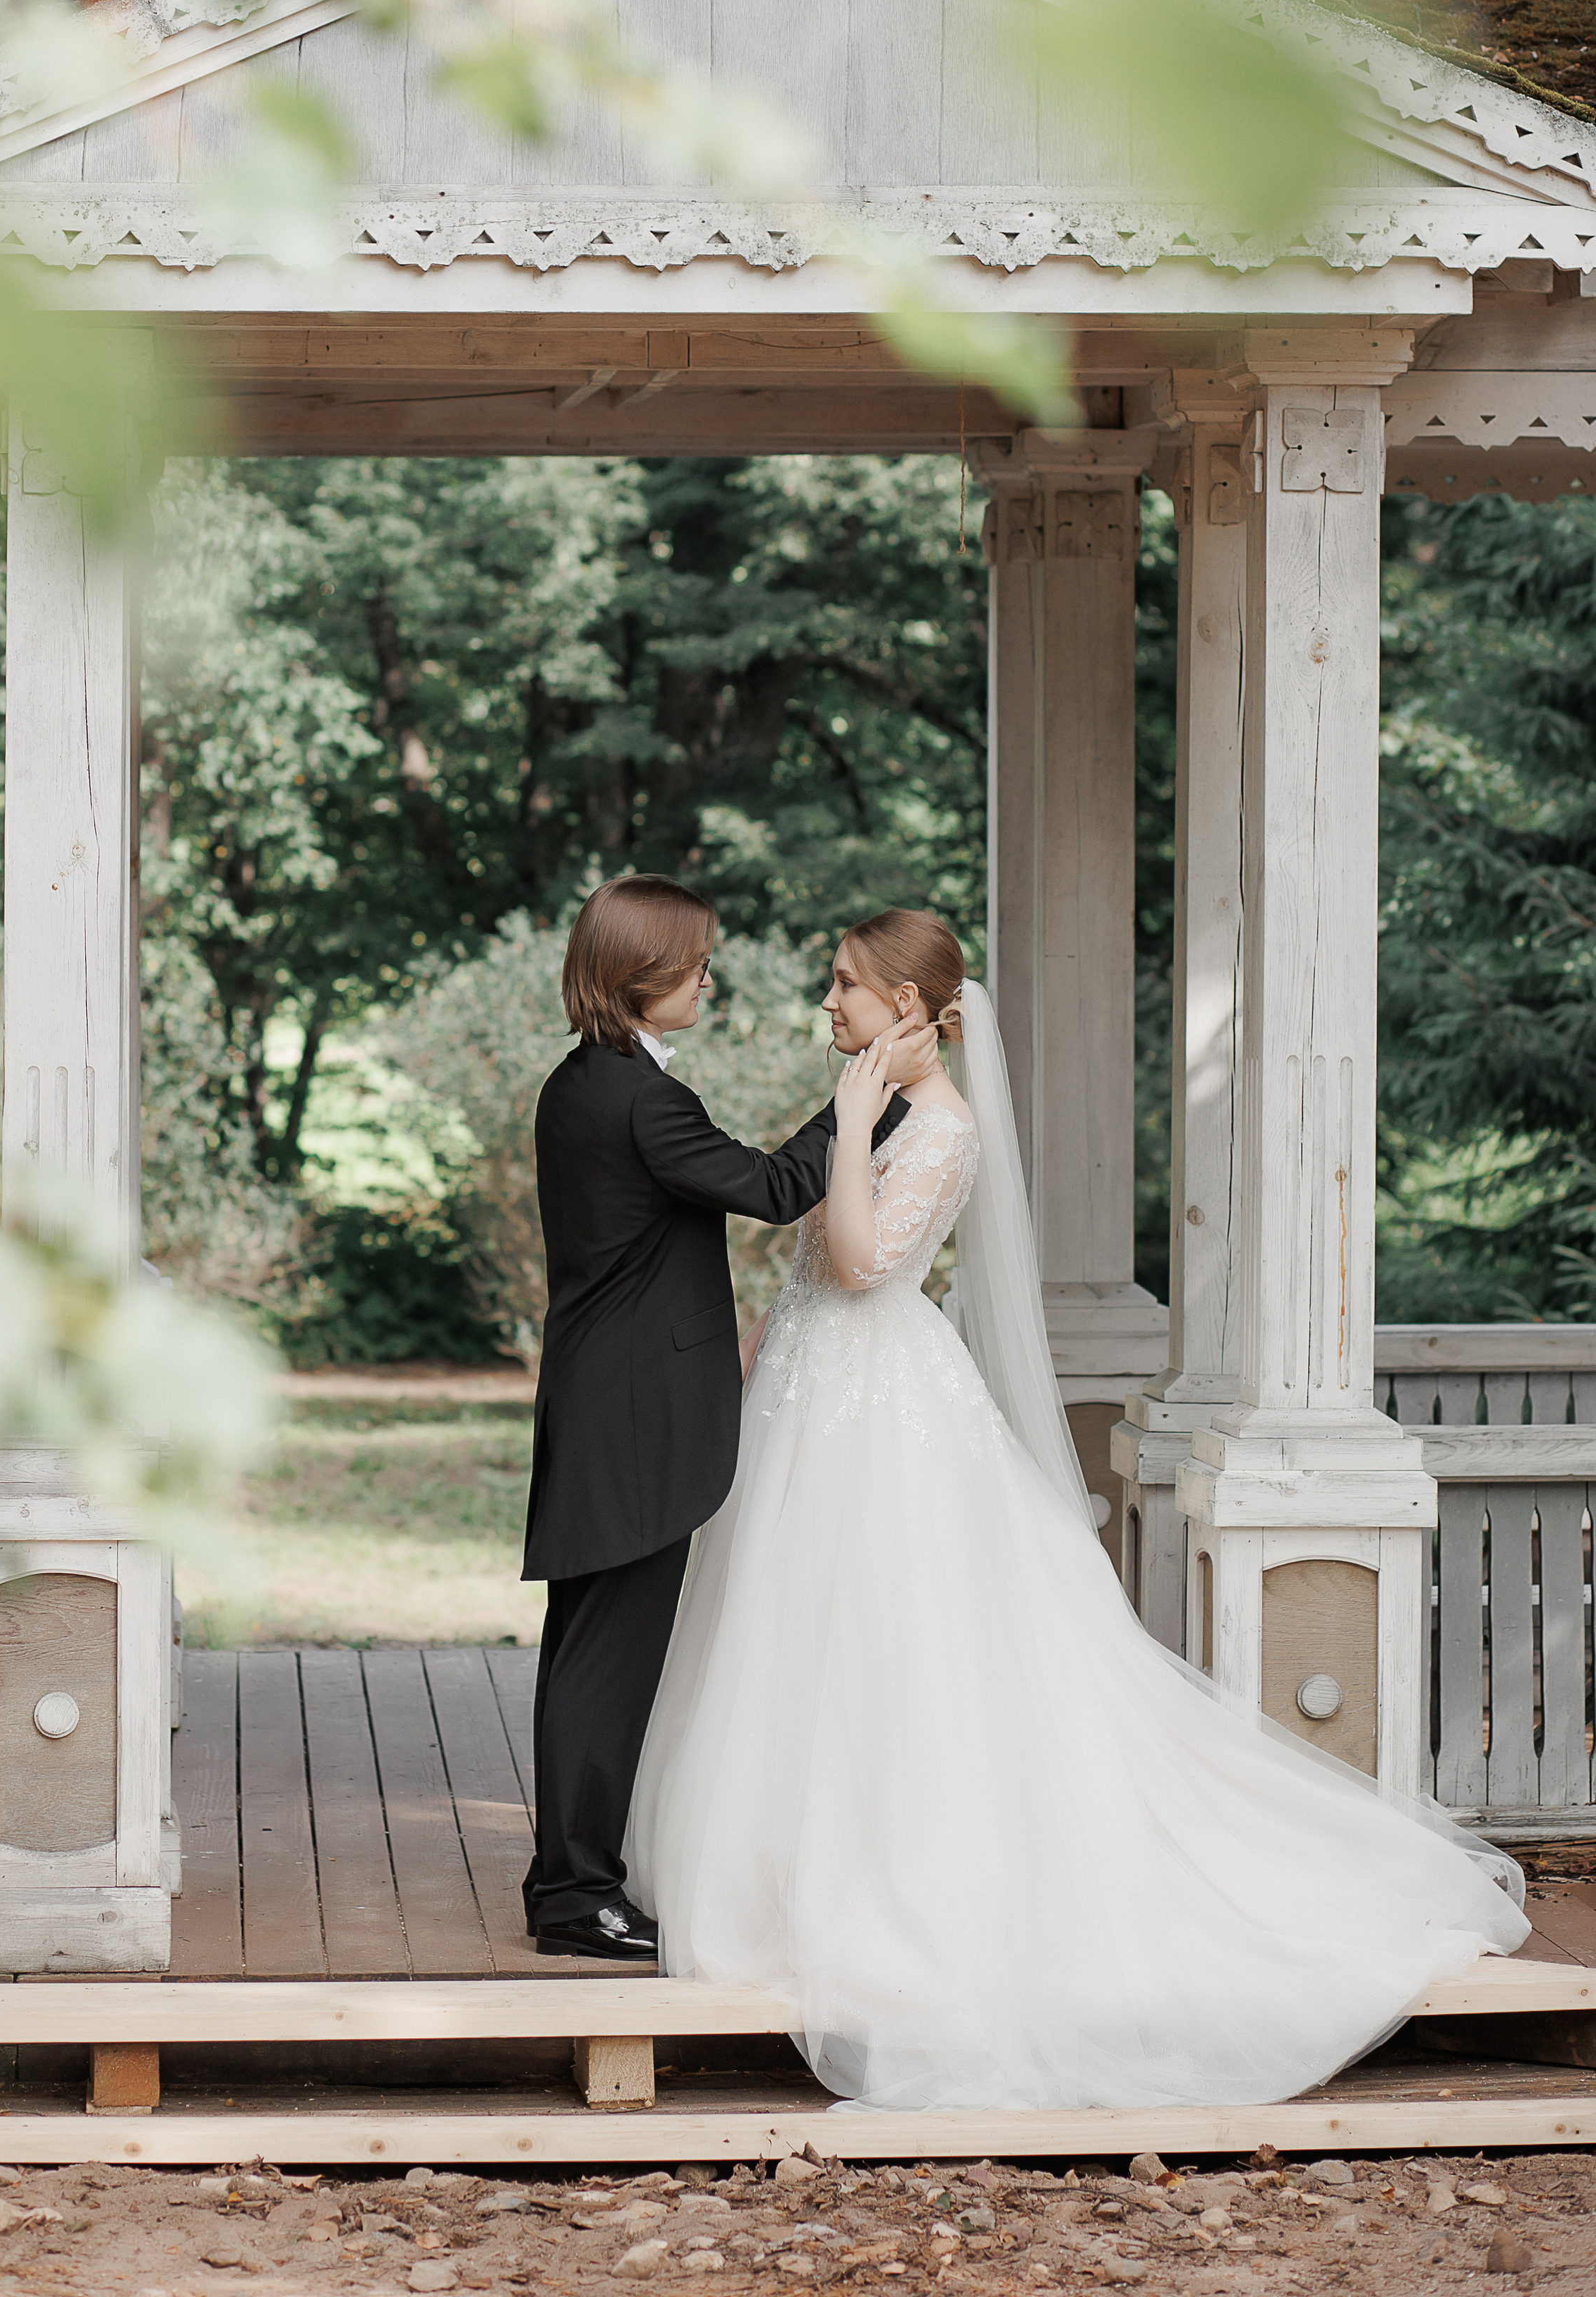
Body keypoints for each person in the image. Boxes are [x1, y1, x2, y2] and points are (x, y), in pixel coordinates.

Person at [626, 907, 1530, 2109]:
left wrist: (849, 1126)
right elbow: (802, 1279)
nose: (828, 1005)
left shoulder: (935, 1128)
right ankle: (777, 1879)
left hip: (883, 1408)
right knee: (792, 1634)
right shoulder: (877, 1108)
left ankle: (899, 1892)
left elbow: (854, 1260)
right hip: (810, 1390)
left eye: (847, 987)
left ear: (910, 1010)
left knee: (895, 1640)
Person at [522, 876, 932, 1962]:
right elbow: (773, 1186)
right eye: (697, 961)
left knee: (584, 1650)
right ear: (644, 976)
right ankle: (573, 1895)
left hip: (603, 1405)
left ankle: (566, 1878)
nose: (711, 975)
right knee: (605, 1660)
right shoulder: (640, 1098)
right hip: (638, 1420)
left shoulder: (584, 1084)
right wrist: (870, 1101)